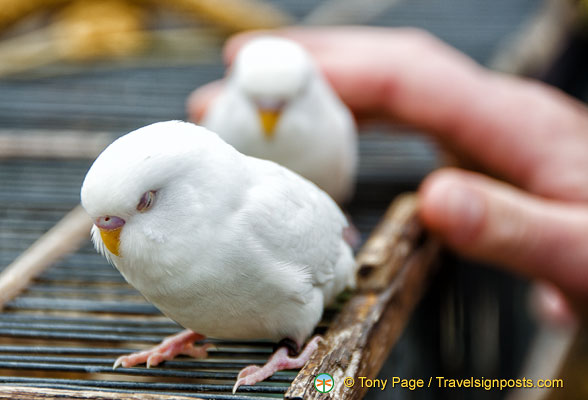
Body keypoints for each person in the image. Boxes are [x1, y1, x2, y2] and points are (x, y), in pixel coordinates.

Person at [187, 27, 587, 322]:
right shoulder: (217, 128)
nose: (269, 117)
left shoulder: (335, 123)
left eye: (284, 103)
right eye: (257, 103)